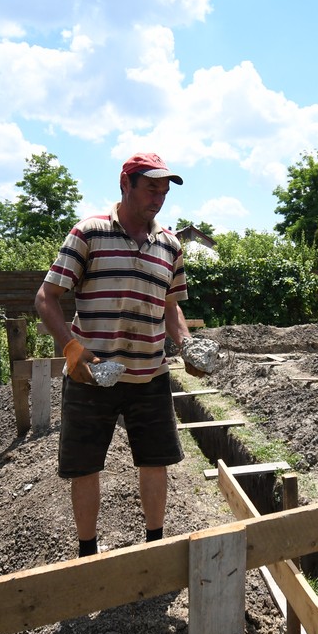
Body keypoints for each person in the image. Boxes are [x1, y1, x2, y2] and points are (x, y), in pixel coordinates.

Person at [35, 153, 197, 558]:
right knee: (85, 465)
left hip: (149, 375)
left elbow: (171, 306)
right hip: (92, 376)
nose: (158, 199)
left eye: (163, 192)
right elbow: (47, 297)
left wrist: (186, 343)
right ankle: (88, 551)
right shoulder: (89, 234)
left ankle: (155, 545)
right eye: (150, 189)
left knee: (155, 460)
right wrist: (72, 349)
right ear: (125, 184)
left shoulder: (169, 245)